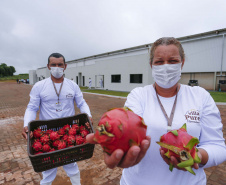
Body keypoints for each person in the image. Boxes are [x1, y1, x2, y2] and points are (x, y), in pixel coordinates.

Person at [86, 37, 226, 185]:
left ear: (182, 63)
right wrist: (116, 143)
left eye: (172, 61)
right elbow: (127, 126)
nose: (166, 66)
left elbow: (217, 146)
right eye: (159, 62)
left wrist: (196, 155)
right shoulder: (139, 95)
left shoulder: (200, 96)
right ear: (151, 65)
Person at [22, 53, 92, 185]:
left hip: (69, 131)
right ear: (48, 66)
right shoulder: (39, 86)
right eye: (53, 65)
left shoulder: (72, 85)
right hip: (47, 133)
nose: (57, 67)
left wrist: (88, 116)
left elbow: (81, 103)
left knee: (72, 165)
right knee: (48, 169)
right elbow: (32, 108)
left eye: (60, 65)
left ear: (65, 66)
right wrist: (26, 125)